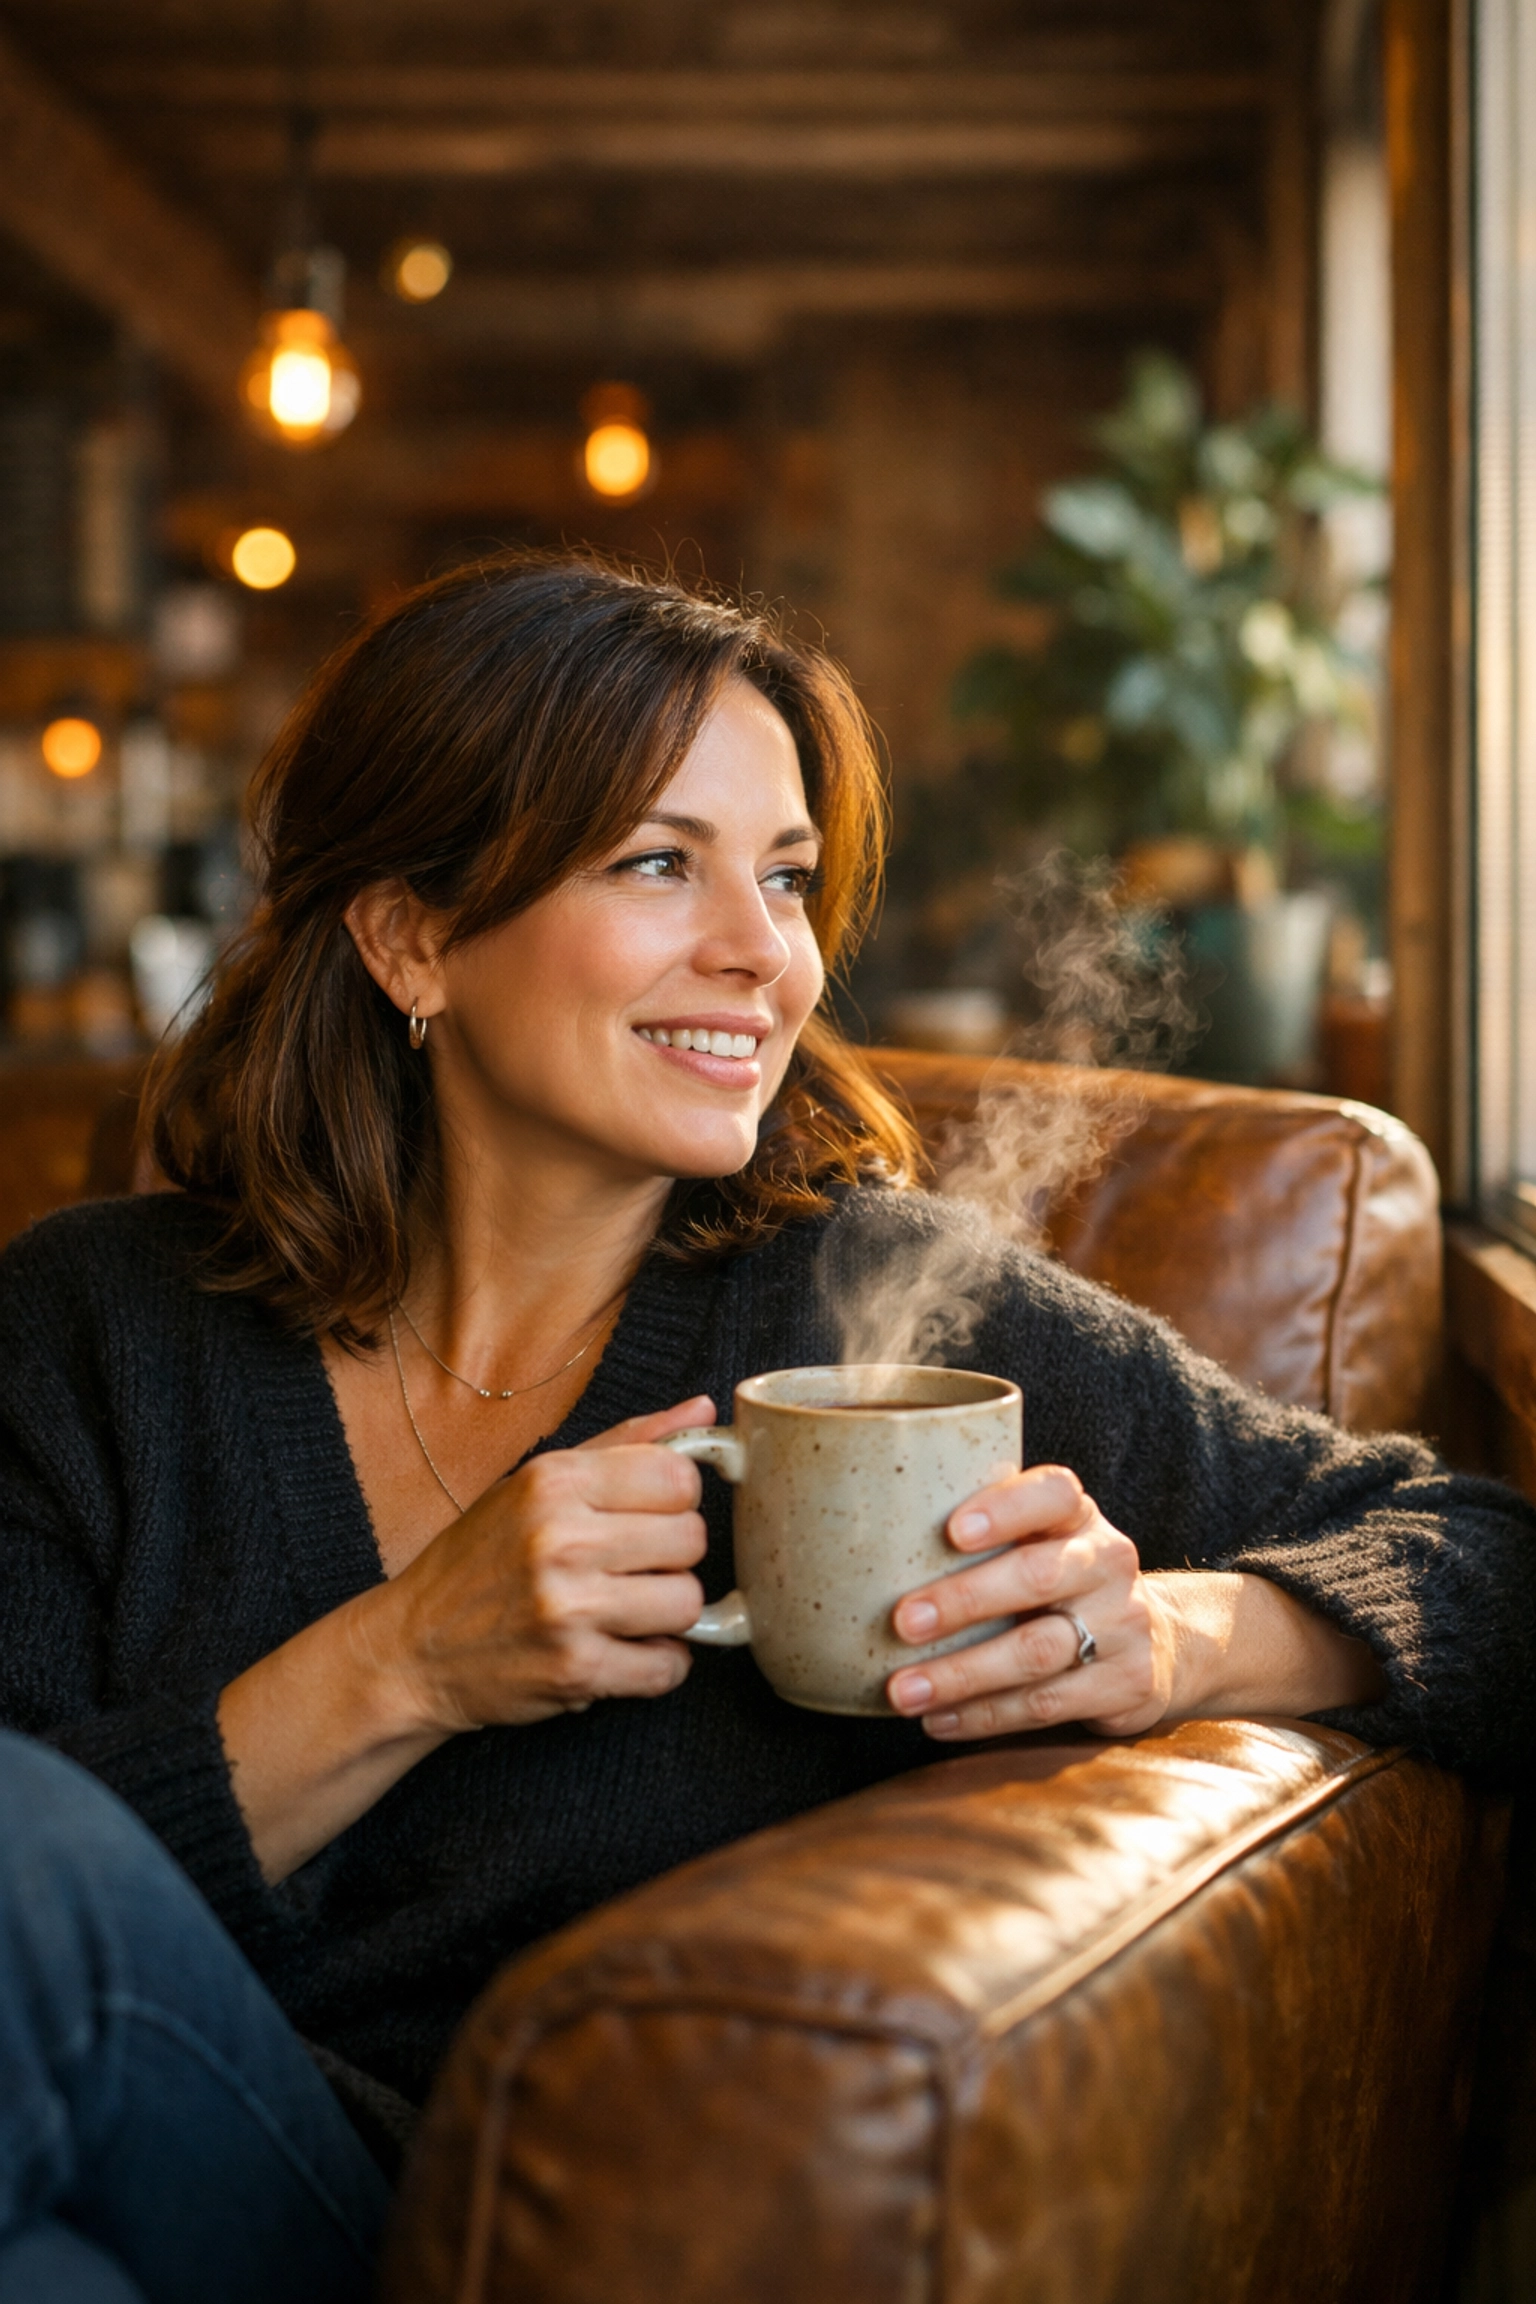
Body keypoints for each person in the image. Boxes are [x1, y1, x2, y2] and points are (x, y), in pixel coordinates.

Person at [0, 552, 1531, 2301]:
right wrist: (406, 1660)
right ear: (410, 933)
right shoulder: (90, 1332)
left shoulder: (875, 1317)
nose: (763, 954)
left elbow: (1497, 1566)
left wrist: (1174, 1636)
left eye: (788, 879)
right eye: (661, 862)